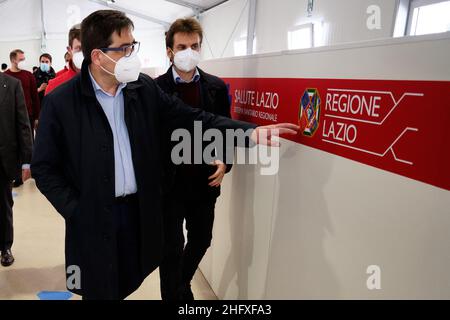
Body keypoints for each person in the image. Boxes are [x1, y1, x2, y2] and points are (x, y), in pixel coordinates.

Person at [31, 9, 298, 300]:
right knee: (97, 288)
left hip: (137, 212)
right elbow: (44, 168)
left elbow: (191, 118)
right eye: (125, 49)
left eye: (133, 46)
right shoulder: (61, 102)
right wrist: (76, 209)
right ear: (97, 56)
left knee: (129, 281)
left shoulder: (142, 89)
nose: (133, 55)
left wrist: (248, 132)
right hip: (92, 216)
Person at [156, 18, 232, 300]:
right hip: (169, 186)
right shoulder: (155, 88)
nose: (189, 51)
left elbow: (226, 130)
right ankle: (176, 296)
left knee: (202, 239)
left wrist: (225, 162)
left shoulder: (215, 87)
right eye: (182, 46)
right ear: (169, 51)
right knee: (171, 249)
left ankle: (180, 285)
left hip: (204, 183)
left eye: (195, 45)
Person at [0, 72, 33, 267]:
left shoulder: (12, 85)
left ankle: (5, 247)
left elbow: (23, 125)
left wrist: (26, 161)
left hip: (3, 159)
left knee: (3, 205)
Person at [5, 49, 40, 187]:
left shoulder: (28, 75)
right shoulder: (6, 76)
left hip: (28, 116)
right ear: (13, 59)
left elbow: (34, 97)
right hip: (10, 118)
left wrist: (37, 116)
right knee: (14, 146)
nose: (24, 61)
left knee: (28, 143)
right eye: (21, 59)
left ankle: (31, 169)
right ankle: (17, 175)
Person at [45, 24, 83, 95]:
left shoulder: (104, 82)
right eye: (79, 49)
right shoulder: (54, 86)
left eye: (88, 48)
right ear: (69, 50)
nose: (84, 54)